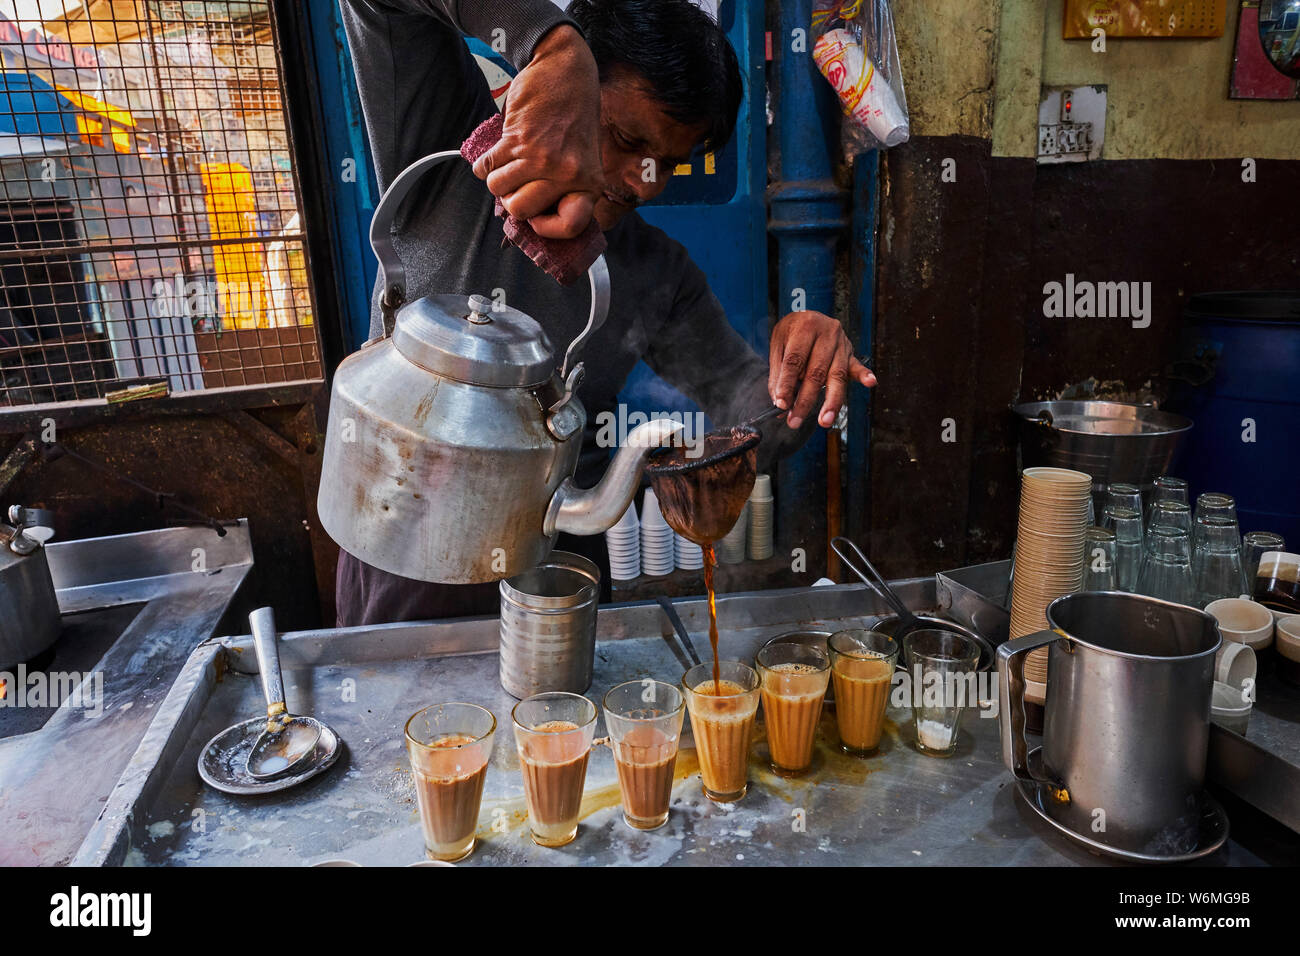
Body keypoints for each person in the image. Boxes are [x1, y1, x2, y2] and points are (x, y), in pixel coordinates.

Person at [336, 0, 876, 625]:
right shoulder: (448, 141)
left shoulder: (654, 271)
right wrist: (552, 45)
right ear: (563, 96)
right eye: (626, 139)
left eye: (668, 163)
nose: (645, 182)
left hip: (563, 566)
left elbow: (751, 414)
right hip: (405, 543)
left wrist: (800, 368)